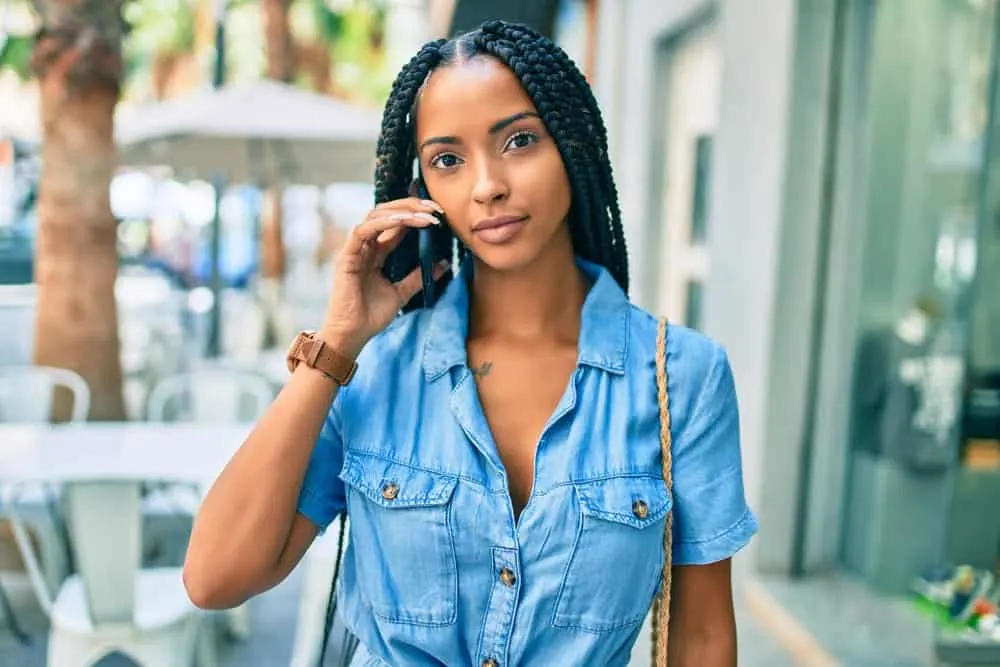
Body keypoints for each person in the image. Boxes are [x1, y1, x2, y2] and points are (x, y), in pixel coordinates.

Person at [183, 20, 757, 667]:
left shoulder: (683, 376)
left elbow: (703, 636)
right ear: (424, 189)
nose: (487, 185)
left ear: (571, 145)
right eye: (448, 160)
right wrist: (336, 343)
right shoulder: (373, 369)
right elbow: (214, 577)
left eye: (518, 140)